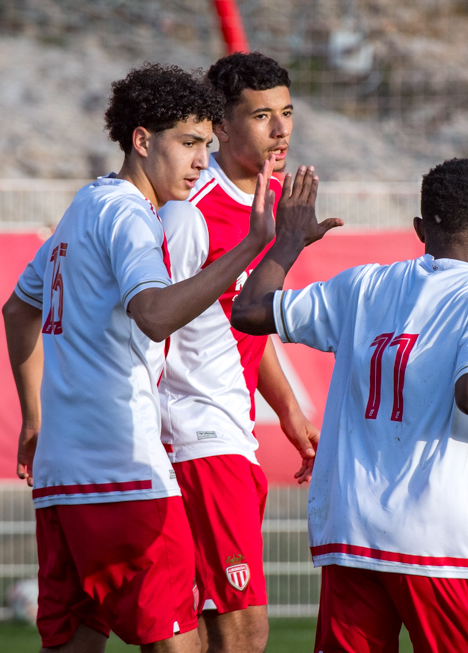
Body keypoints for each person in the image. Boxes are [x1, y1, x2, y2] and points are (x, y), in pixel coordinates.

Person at [231, 158, 468, 652]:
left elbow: (248, 310)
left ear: (419, 228)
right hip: (434, 540)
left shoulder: (361, 285)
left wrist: (288, 241)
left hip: (350, 531)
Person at [2, 63, 278, 653]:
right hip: (125, 474)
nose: (201, 161)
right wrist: (250, 247)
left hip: (59, 481)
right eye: (189, 143)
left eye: (206, 145)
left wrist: (33, 419)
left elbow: (17, 309)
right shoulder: (130, 215)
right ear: (143, 140)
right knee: (177, 642)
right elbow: (153, 314)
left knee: (75, 641)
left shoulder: (83, 207)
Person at [157, 52, 317, 653]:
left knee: (203, 623)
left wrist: (289, 411)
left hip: (230, 431)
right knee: (243, 628)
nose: (280, 130)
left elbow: (240, 321)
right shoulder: (191, 210)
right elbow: (154, 321)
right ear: (221, 126)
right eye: (261, 116)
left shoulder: (268, 199)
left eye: (287, 113)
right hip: (198, 435)